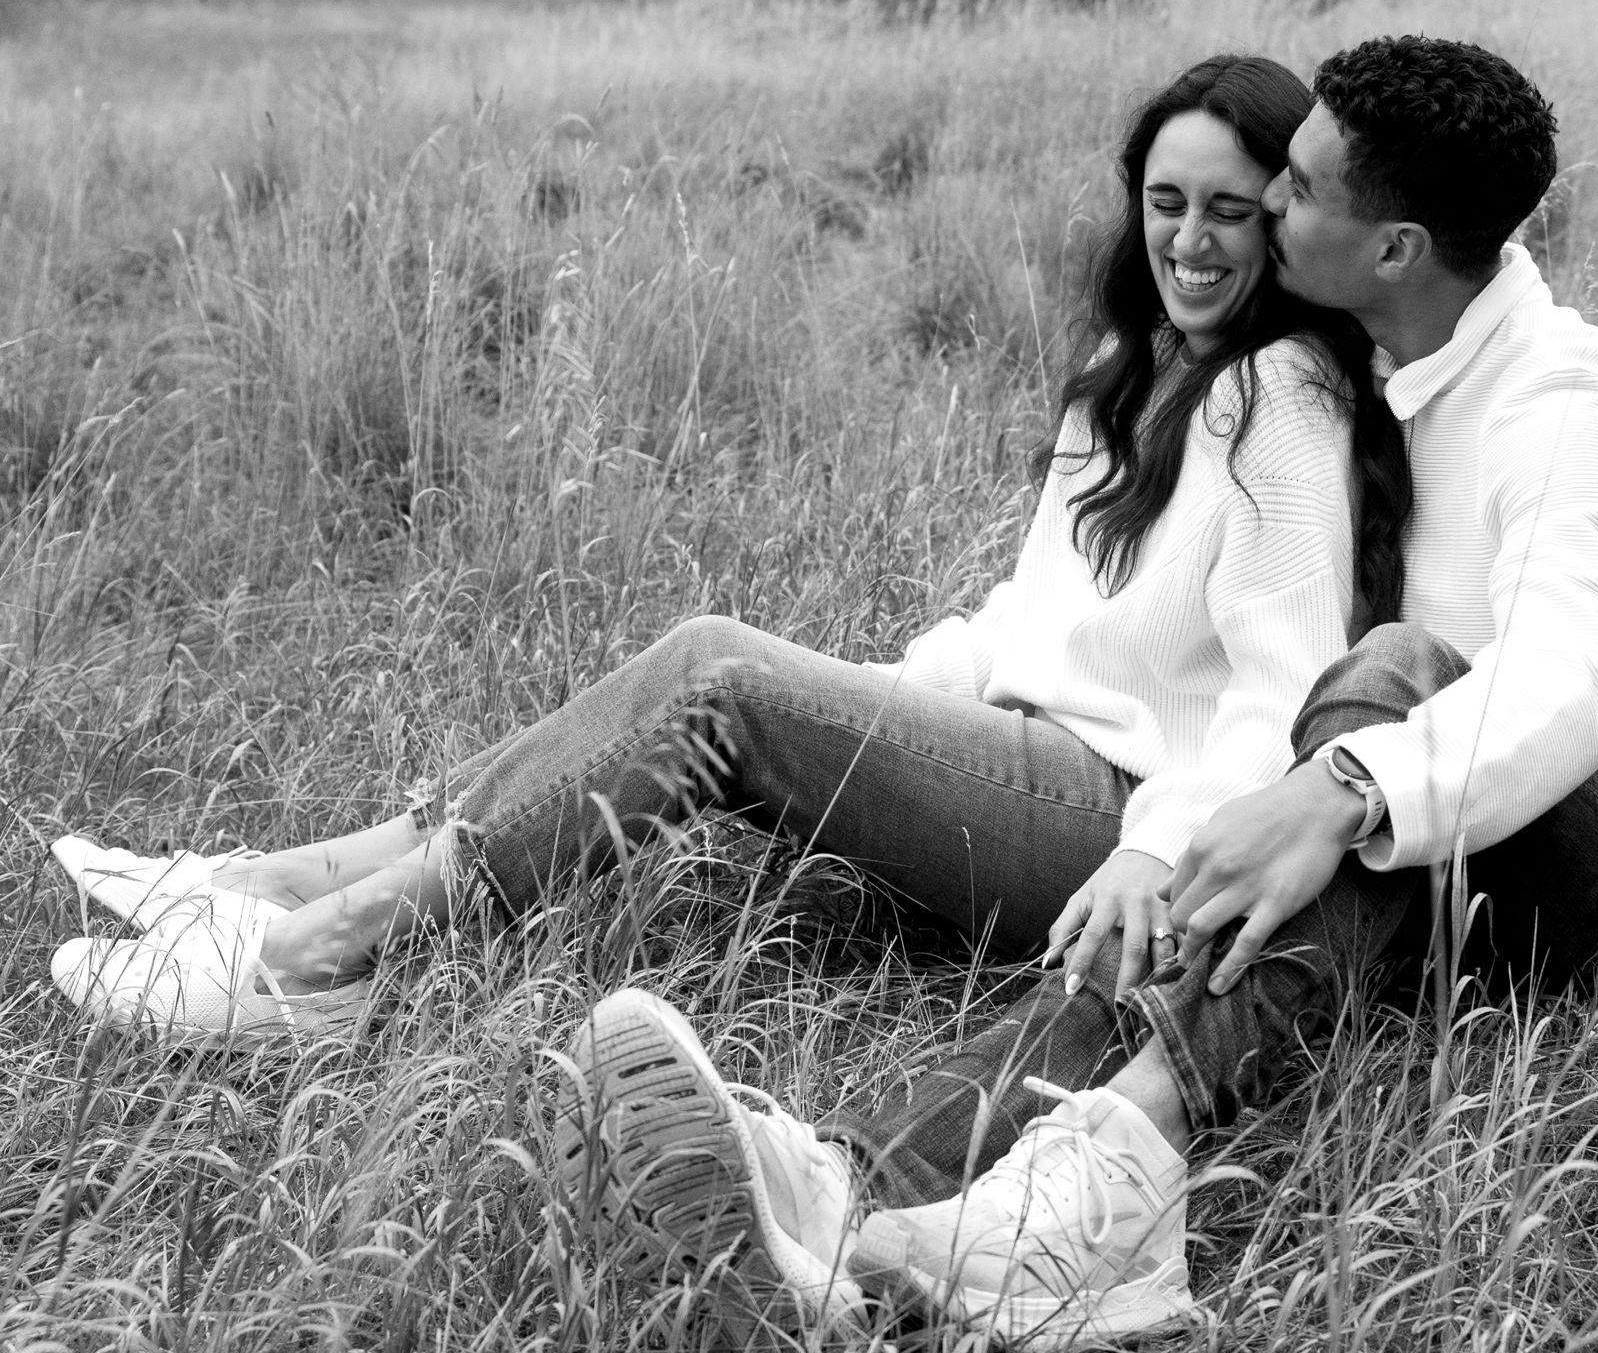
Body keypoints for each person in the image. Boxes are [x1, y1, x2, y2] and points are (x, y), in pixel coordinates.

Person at [552, 33, 1598, 1349]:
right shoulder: (1359, 361)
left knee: (1383, 680)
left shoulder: (1558, 403)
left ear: (1396, 249)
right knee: (1216, 864)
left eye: (1297, 188)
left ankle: (1121, 1161)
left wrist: (1332, 792)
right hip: (1394, 842)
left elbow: (1563, 681)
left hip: (1584, 874)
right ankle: (851, 1199)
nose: (1268, 198)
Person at [47, 60, 1409, 1174]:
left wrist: (1158, 844)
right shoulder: (1140, 369)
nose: (1190, 241)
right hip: (1030, 762)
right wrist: (874, 706)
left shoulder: (1282, 400)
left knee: (718, 674)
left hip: (1120, 827)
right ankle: (274, 883)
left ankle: (320, 957)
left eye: (1231, 212)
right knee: (731, 680)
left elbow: (1288, 697)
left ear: (1283, 227)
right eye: (1166, 202)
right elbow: (1030, 614)